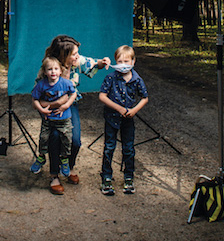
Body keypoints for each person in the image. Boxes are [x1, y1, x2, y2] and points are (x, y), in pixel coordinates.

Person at [38, 35, 110, 195]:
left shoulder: (76, 61)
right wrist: (52, 106)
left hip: (70, 105)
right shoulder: (50, 67)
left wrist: (102, 62)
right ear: (63, 56)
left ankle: (68, 168)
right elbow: (38, 96)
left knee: (75, 141)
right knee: (55, 139)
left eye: (78, 53)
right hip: (51, 109)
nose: (77, 56)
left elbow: (91, 62)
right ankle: (54, 176)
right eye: (74, 54)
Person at [99, 44, 148, 196]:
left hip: (128, 120)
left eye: (127, 61)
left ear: (133, 62)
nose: (123, 65)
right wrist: (118, 108)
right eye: (119, 62)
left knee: (128, 148)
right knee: (109, 147)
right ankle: (106, 177)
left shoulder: (137, 79)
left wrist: (134, 110)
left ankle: (129, 177)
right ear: (115, 62)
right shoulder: (111, 77)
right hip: (111, 118)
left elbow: (144, 98)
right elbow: (102, 96)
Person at [30, 56, 77, 177]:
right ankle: (41, 157)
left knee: (67, 139)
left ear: (60, 71)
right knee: (43, 138)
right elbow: (34, 99)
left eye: (56, 69)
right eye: (50, 69)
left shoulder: (65, 83)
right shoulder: (41, 85)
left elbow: (73, 94)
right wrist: (42, 110)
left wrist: (65, 106)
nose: (53, 72)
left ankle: (64, 159)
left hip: (64, 119)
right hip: (48, 119)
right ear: (45, 72)